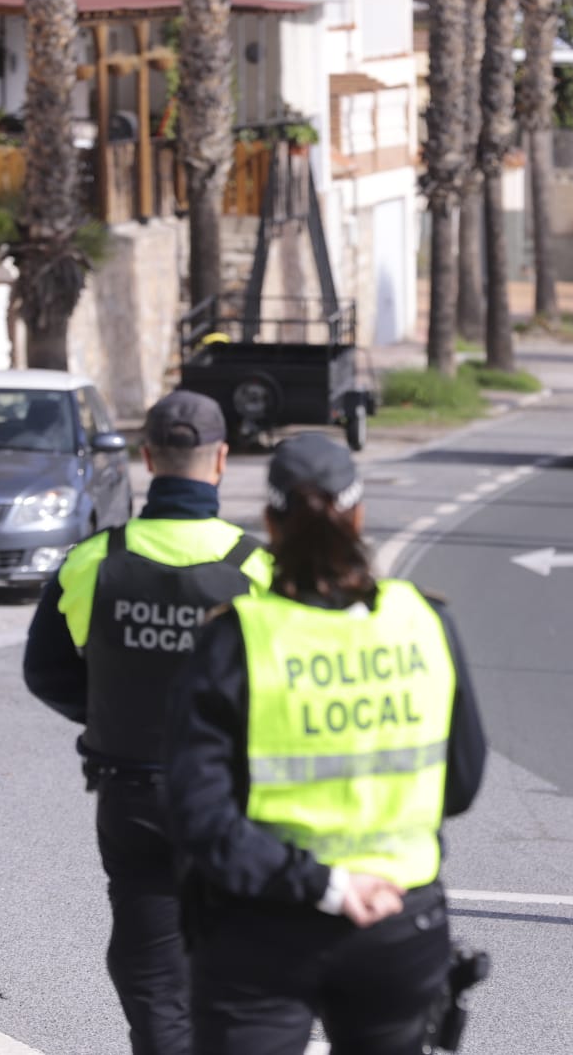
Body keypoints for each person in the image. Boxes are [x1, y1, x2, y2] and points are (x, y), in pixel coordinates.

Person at [164, 432, 488, 1055]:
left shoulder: (236, 642)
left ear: (269, 523)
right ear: (360, 515)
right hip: (398, 922)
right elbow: (463, 783)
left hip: (260, 926)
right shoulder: (425, 622)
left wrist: (326, 884)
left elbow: (199, 819)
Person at [23, 390, 271, 1055]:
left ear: (145, 458)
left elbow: (45, 671)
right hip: (233, 804)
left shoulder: (92, 561)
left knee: (154, 979)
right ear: (222, 460)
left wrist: (107, 705)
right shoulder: (259, 570)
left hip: (133, 798)